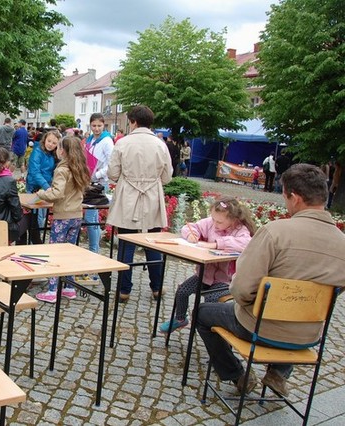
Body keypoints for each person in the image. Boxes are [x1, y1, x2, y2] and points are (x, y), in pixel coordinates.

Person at [197, 164, 345, 396]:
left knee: (202, 312)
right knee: (293, 313)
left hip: (259, 328)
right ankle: (278, 373)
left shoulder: (275, 232)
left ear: (295, 198)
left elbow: (242, 289)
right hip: (308, 335)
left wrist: (251, 304)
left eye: (285, 197)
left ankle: (237, 375)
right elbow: (333, 294)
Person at [158, 197, 255, 333]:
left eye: (219, 222)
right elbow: (190, 227)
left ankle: (208, 327)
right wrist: (192, 234)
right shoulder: (210, 223)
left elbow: (247, 243)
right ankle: (180, 319)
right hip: (205, 276)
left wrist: (216, 244)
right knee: (182, 290)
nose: (215, 224)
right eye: (213, 219)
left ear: (233, 220)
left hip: (226, 281)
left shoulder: (240, 230)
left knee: (210, 300)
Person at [107, 105, 173, 301]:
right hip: (152, 195)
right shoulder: (160, 144)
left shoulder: (123, 143)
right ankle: (157, 288)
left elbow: (113, 173)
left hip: (128, 195)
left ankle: (124, 290)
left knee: (126, 243)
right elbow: (167, 177)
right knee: (152, 243)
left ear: (133, 122)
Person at [34, 136, 91, 303]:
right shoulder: (80, 167)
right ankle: (69, 287)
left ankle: (53, 290)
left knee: (55, 252)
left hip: (63, 216)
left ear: (63, 151)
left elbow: (57, 193)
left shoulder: (62, 170)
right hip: (76, 215)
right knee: (69, 252)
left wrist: (41, 193)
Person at [83, 113, 114, 255]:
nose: (96, 128)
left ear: (103, 125)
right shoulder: (90, 139)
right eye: (94, 125)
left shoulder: (107, 141)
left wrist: (98, 174)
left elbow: (111, 163)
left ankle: (94, 250)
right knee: (91, 218)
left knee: (91, 218)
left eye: (99, 126)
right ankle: (93, 249)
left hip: (99, 182)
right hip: (89, 181)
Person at [25, 129, 60, 244]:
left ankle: (36, 241)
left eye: (54, 143)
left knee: (42, 217)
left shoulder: (53, 154)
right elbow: (35, 172)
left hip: (45, 188)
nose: (50, 144)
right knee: (35, 218)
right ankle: (34, 242)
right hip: (34, 188)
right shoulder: (37, 152)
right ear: (45, 140)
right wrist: (47, 186)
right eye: (49, 141)